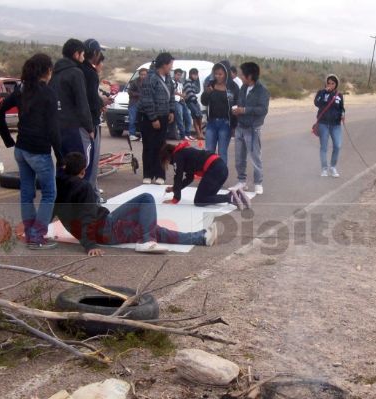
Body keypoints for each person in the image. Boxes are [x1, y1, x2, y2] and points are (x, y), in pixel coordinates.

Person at [54, 153, 219, 255]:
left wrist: (35, 228)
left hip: (100, 231)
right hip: (105, 228)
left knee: (149, 227)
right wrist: (89, 245)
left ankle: (201, 237)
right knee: (146, 198)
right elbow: (88, 216)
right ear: (82, 171)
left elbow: (53, 210)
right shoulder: (84, 187)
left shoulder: (56, 187)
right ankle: (148, 241)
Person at [0, 54, 61, 249]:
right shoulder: (48, 93)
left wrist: (9, 140)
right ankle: (37, 235)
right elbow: (53, 129)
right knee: (49, 193)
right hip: (39, 151)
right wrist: (60, 155)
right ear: (47, 71)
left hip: (21, 149)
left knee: (26, 192)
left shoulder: (21, 90)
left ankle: (31, 231)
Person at [49, 39, 93, 179]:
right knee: (81, 165)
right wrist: (89, 127)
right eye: (82, 54)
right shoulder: (76, 72)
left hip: (56, 127)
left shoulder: (54, 73)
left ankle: (62, 198)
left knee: (63, 165)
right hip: (74, 128)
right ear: (76, 54)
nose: (84, 57)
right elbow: (82, 102)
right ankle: (81, 198)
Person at [159, 141, 250, 208]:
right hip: (222, 169)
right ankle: (237, 195)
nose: (169, 164)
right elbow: (189, 178)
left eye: (166, 162)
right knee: (207, 198)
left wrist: (175, 199)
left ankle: (229, 197)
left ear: (168, 157)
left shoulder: (177, 156)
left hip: (214, 169)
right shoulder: (183, 152)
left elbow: (178, 177)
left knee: (199, 200)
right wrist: (174, 188)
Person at [231, 62, 270, 195]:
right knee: (239, 157)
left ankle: (258, 183)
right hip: (240, 127)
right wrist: (237, 110)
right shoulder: (243, 88)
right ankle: (242, 181)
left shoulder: (262, 91)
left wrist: (245, 110)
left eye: (242, 74)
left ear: (250, 76)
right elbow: (240, 104)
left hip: (253, 129)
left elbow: (263, 110)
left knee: (255, 157)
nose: (240, 76)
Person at [138, 52, 176, 185]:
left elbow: (171, 95)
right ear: (164, 64)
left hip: (164, 116)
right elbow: (147, 99)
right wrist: (153, 118)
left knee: (161, 146)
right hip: (149, 118)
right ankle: (148, 174)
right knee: (148, 145)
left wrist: (172, 110)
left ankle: (160, 174)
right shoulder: (150, 78)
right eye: (170, 64)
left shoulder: (168, 79)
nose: (171, 67)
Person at [81, 38, 109, 201]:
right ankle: (91, 196)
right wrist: (101, 102)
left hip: (78, 124)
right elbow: (91, 99)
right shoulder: (90, 73)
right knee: (90, 163)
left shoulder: (77, 70)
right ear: (95, 53)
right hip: (89, 123)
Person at [200, 62, 239, 164]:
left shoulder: (233, 87)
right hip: (211, 123)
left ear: (226, 74)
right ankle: (209, 175)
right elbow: (204, 101)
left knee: (222, 152)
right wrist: (207, 92)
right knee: (208, 152)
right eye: (216, 73)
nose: (217, 76)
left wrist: (234, 126)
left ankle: (221, 176)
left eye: (220, 74)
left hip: (225, 124)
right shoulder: (211, 84)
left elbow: (236, 106)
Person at [314, 74, 345, 178]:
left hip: (336, 125)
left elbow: (341, 108)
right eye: (328, 83)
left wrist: (343, 114)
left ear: (336, 84)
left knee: (337, 145)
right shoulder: (321, 93)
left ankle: (332, 167)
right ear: (326, 83)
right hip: (323, 124)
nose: (330, 85)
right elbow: (317, 103)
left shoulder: (339, 95)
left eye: (333, 83)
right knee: (324, 147)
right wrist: (324, 93)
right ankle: (324, 168)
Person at [127, 68, 148, 141]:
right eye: (142, 74)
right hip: (134, 103)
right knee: (132, 119)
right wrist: (138, 94)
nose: (143, 76)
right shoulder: (134, 82)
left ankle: (143, 135)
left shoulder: (149, 82)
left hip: (144, 104)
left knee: (143, 121)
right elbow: (129, 91)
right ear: (139, 74)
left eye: (145, 74)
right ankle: (132, 134)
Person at [172, 68, 192, 141]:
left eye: (180, 75)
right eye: (178, 75)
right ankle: (183, 135)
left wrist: (184, 95)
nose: (179, 76)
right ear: (174, 74)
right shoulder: (172, 82)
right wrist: (181, 95)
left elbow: (182, 91)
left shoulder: (180, 83)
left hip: (182, 101)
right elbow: (173, 91)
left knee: (188, 116)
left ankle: (188, 133)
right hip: (175, 101)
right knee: (180, 117)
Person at [184, 68, 204, 141]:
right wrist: (193, 99)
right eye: (195, 75)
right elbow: (189, 92)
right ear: (191, 75)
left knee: (199, 116)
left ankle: (200, 132)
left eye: (197, 75)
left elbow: (195, 90)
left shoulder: (193, 82)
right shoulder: (188, 82)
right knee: (196, 116)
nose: (196, 76)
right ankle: (199, 133)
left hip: (194, 100)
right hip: (190, 101)